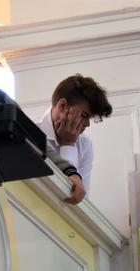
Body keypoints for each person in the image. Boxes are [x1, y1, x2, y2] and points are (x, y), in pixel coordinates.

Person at [36, 74, 112, 205]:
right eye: (84, 115)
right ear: (62, 106)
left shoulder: (84, 144)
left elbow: (79, 199)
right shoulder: (31, 134)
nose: (87, 124)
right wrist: (68, 143)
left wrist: (69, 144)